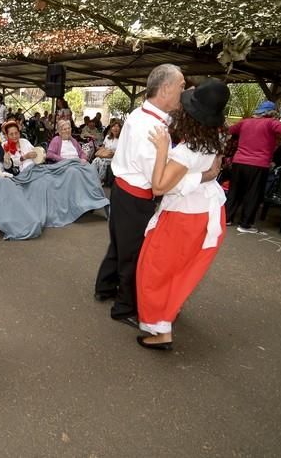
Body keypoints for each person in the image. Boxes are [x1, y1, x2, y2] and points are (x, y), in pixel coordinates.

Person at [94, 64, 220, 328]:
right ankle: (124, 307)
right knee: (134, 253)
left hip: (123, 189)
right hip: (136, 195)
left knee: (119, 245)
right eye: (182, 86)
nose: (185, 92)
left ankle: (105, 287)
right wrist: (203, 177)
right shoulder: (152, 128)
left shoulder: (146, 116)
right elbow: (161, 181)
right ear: (165, 89)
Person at [136, 78, 230, 350]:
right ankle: (169, 311)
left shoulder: (187, 150)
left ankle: (160, 329)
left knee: (154, 269)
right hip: (207, 213)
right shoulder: (215, 138)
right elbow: (212, 172)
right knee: (182, 270)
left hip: (184, 217)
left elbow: (159, 186)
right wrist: (201, 176)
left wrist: (164, 149)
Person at [225, 101, 281, 233]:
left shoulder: (245, 122)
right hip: (258, 164)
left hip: (239, 162)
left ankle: (226, 218)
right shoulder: (271, 122)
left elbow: (229, 130)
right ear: (272, 113)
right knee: (252, 194)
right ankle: (245, 224)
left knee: (234, 191)